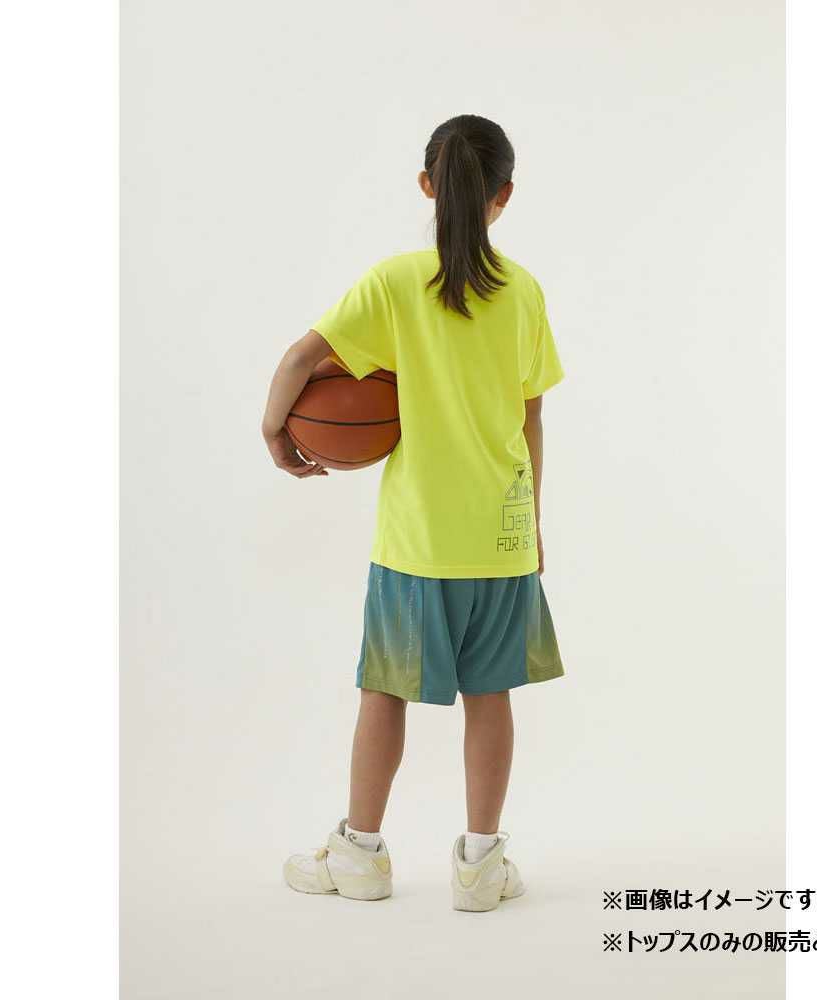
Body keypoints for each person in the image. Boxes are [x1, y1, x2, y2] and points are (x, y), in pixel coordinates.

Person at [261, 114, 564, 912]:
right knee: (490, 697)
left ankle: (358, 855)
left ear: (427, 185)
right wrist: (532, 522)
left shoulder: (394, 281)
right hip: (499, 535)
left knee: (383, 693)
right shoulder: (524, 290)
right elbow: (531, 415)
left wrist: (275, 430)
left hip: (416, 538)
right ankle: (480, 866)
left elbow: (301, 359)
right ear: (504, 196)